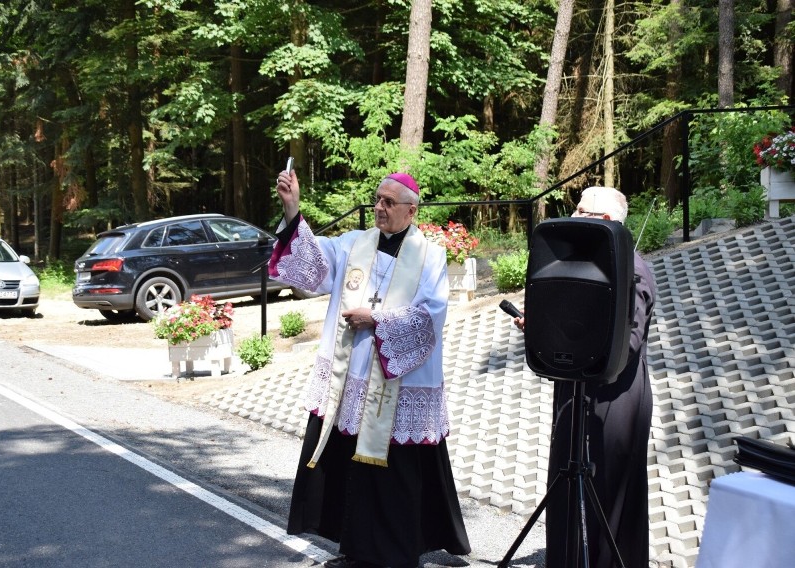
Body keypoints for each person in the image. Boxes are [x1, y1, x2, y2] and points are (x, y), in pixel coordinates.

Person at [269, 169, 471, 568]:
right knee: (352, 469)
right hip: (351, 378)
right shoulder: (353, 244)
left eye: (388, 202)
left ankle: (397, 556)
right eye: (377, 199)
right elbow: (312, 266)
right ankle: (356, 551)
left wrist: (377, 321)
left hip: (399, 380)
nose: (379, 207)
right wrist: (292, 208)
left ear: (411, 210)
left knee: (394, 475)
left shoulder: (430, 256)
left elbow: (431, 315)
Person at [513, 186, 657, 568]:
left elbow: (628, 342)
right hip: (573, 386)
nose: (573, 214)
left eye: (582, 209)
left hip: (615, 394)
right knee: (566, 477)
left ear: (606, 221)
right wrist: (542, 329)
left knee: (610, 489)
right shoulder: (577, 264)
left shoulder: (636, 271)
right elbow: (573, 325)